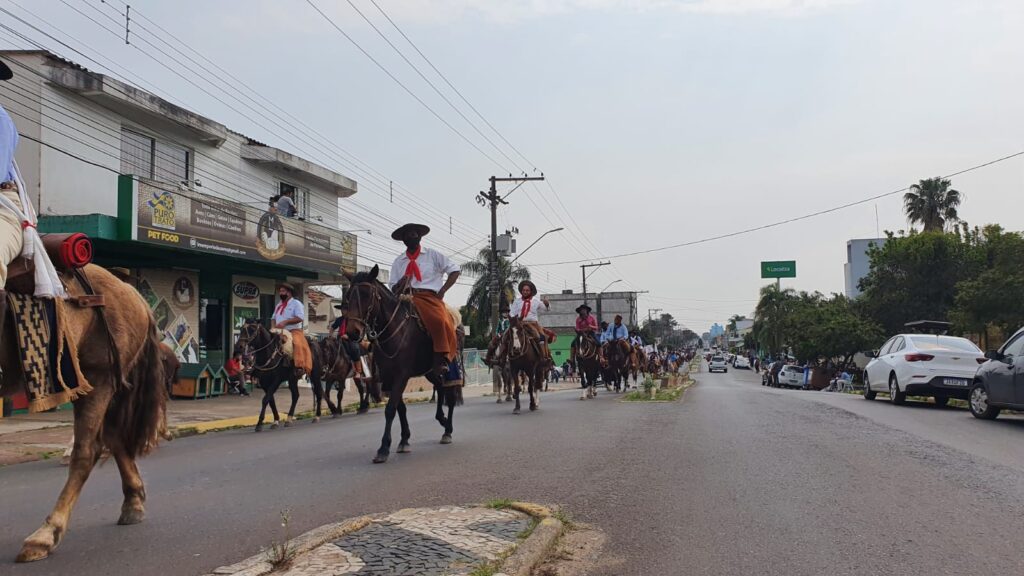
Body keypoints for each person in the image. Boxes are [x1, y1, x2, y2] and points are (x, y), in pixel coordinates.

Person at [388, 223, 461, 376]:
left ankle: (441, 357)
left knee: (440, 320)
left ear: (420, 237)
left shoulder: (432, 255)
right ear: (403, 240)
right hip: (404, 297)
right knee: (385, 320)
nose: (410, 237)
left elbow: (454, 270)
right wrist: (400, 284)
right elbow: (392, 286)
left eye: (413, 234)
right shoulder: (398, 261)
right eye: (407, 235)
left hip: (429, 298)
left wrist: (443, 290)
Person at [508, 280, 553, 366]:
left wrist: (547, 304)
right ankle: (503, 358)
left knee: (542, 337)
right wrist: (514, 319)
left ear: (531, 291)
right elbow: (512, 312)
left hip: (533, 324)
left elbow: (547, 309)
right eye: (523, 290)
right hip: (519, 323)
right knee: (506, 336)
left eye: (527, 290)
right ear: (521, 291)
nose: (525, 292)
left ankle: (544, 357)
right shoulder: (517, 301)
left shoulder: (536, 301)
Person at [272, 282, 312, 374]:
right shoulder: (279, 304)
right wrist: (273, 327)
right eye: (280, 291)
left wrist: (286, 321)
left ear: (289, 293)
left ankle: (299, 366)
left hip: (293, 330)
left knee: (297, 343)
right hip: (278, 330)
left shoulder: (296, 303)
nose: (280, 293)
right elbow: (273, 318)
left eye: (283, 291)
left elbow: (300, 318)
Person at [329, 304, 364, 378]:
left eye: (344, 309)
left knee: (355, 348)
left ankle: (358, 371)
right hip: (340, 339)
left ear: (348, 310)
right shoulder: (339, 319)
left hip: (350, 339)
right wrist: (330, 335)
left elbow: (357, 333)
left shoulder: (353, 320)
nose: (342, 311)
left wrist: (348, 336)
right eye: (341, 309)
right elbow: (332, 327)